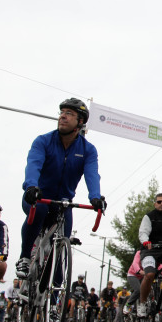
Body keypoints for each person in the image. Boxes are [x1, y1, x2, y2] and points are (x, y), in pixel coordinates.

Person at [16, 98, 106, 277]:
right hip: (38, 196)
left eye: (69, 114)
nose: (62, 117)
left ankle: (56, 297)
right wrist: (31, 186)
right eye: (62, 113)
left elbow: (92, 174)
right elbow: (33, 165)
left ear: (80, 122)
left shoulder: (88, 150)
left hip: (63, 202)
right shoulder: (43, 141)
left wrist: (95, 197)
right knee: (39, 210)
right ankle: (25, 257)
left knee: (60, 265)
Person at [120, 250, 144, 317]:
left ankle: (141, 307)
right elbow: (135, 263)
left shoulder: (153, 254)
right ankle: (128, 305)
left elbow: (159, 265)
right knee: (138, 290)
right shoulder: (139, 253)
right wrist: (139, 271)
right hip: (133, 275)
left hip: (143, 276)